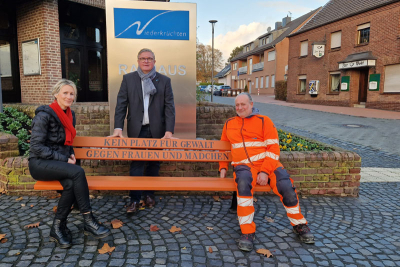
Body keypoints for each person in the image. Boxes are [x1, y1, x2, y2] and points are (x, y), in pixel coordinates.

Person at [219, 92, 315, 252]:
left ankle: (299, 224)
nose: (240, 107)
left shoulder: (264, 121)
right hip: (243, 166)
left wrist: (264, 171)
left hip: (269, 165)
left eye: (243, 104)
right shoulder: (229, 123)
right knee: (243, 186)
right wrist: (223, 167)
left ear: (251, 104)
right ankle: (247, 232)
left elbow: (273, 148)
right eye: (237, 105)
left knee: (286, 187)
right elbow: (224, 146)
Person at [29, 79, 111, 249]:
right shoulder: (44, 115)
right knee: (78, 172)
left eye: (71, 93)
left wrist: (71, 154)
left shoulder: (70, 115)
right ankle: (88, 219)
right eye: (65, 93)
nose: (68, 96)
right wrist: (65, 160)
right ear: (56, 94)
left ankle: (57, 228)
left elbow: (67, 141)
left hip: (57, 163)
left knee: (70, 184)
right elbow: (36, 147)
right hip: (39, 163)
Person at [110, 48, 175, 214]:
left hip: (157, 129)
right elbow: (121, 105)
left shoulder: (164, 81)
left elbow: (169, 107)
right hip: (136, 128)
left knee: (154, 163)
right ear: (138, 61)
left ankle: (149, 195)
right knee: (137, 164)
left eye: (149, 58)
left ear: (154, 61)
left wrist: (169, 130)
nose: (146, 61)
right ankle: (134, 199)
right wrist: (118, 127)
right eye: (142, 58)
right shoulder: (128, 79)